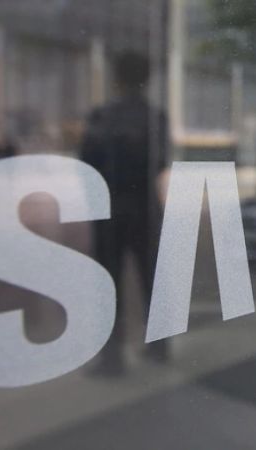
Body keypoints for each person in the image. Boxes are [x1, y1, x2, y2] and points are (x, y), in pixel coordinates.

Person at [81, 51, 171, 376]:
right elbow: (160, 160)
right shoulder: (156, 117)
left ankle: (112, 358)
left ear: (116, 79)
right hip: (145, 205)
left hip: (110, 206)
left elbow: (87, 163)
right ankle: (160, 345)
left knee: (109, 283)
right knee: (151, 277)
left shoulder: (101, 116)